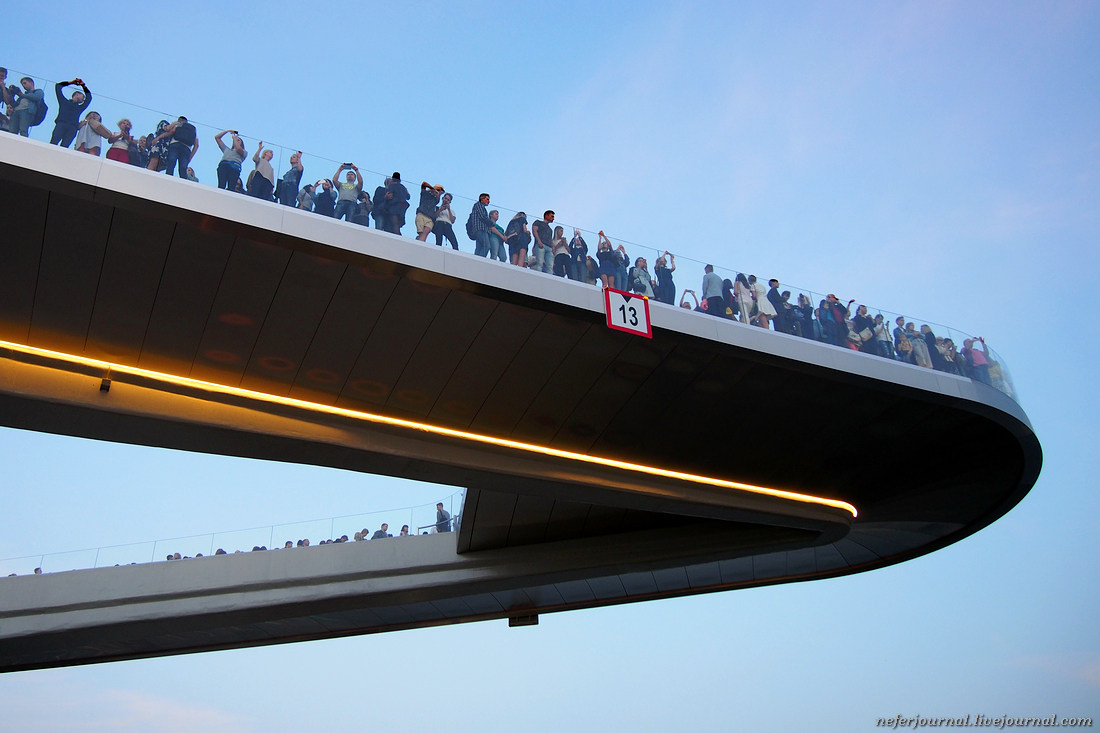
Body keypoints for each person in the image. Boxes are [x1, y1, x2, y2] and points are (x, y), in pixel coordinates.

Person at [50, 78, 91, 147]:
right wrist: (71, 82)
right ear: (77, 94)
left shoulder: (80, 108)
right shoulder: (63, 102)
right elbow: (58, 86)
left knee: (65, 146)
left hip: (72, 128)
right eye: (82, 97)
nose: (83, 100)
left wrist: (83, 86)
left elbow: (89, 97)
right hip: (61, 124)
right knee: (53, 142)